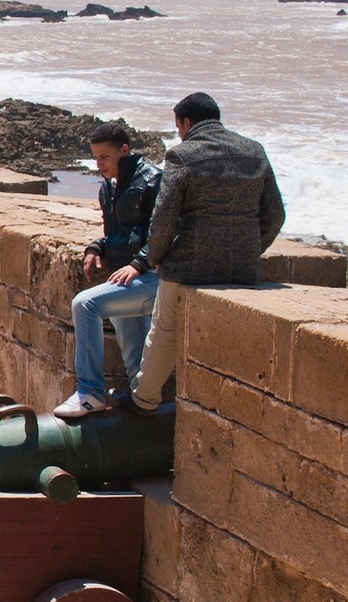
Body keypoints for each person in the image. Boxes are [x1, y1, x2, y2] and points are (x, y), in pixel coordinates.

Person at [125, 92, 285, 413]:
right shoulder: (255, 152)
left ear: (186, 122)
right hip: (243, 269)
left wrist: (154, 258)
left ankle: (145, 398)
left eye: (178, 127)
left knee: (163, 332)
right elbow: (275, 215)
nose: (179, 134)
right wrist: (252, 250)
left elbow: (164, 220)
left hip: (189, 267)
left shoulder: (183, 155)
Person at [52, 123, 165, 419]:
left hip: (152, 277)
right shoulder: (109, 187)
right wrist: (96, 247)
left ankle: (90, 391)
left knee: (85, 304)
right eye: (95, 158)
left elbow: (162, 233)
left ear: (124, 151)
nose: (99, 164)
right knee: (135, 357)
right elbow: (121, 234)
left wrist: (139, 264)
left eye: (104, 157)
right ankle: (145, 407)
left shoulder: (153, 180)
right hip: (125, 274)